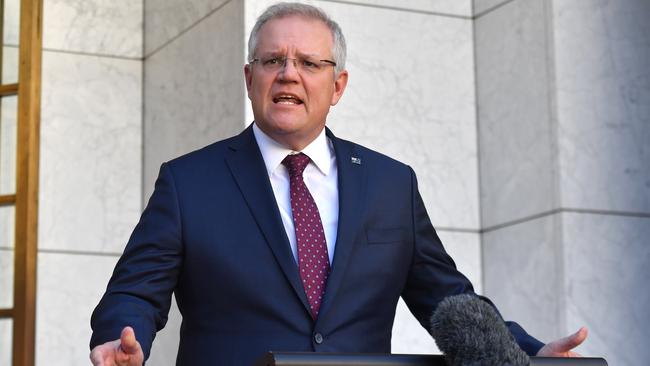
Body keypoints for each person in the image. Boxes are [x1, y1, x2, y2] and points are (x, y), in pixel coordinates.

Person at [89, 3, 588, 365]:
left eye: (309, 63)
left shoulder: (391, 184)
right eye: (272, 61)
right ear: (249, 78)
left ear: (338, 86)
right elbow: (135, 290)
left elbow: (447, 297)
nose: (289, 75)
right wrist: (118, 337)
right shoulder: (188, 182)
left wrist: (528, 351)